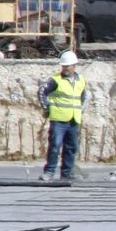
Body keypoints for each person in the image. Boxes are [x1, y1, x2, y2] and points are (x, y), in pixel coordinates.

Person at [38, 50, 86, 181]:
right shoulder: (55, 80)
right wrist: (46, 108)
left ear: (74, 66)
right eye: (63, 66)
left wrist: (81, 109)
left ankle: (67, 173)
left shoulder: (80, 80)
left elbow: (83, 96)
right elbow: (42, 91)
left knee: (72, 147)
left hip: (74, 119)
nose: (65, 68)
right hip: (59, 119)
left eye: (67, 66)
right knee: (55, 146)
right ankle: (49, 172)